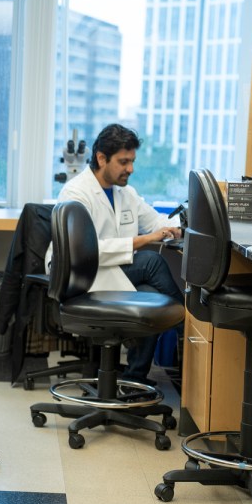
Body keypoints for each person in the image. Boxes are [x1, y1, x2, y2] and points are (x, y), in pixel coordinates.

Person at [49, 123, 184, 386]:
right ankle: (185, 324)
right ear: (101, 158)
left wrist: (178, 229)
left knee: (152, 296)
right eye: (123, 162)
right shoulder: (76, 192)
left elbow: (155, 221)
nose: (130, 169)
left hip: (110, 269)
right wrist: (142, 240)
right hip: (79, 273)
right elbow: (84, 251)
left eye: (132, 161)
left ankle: (134, 381)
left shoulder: (126, 193)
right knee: (152, 261)